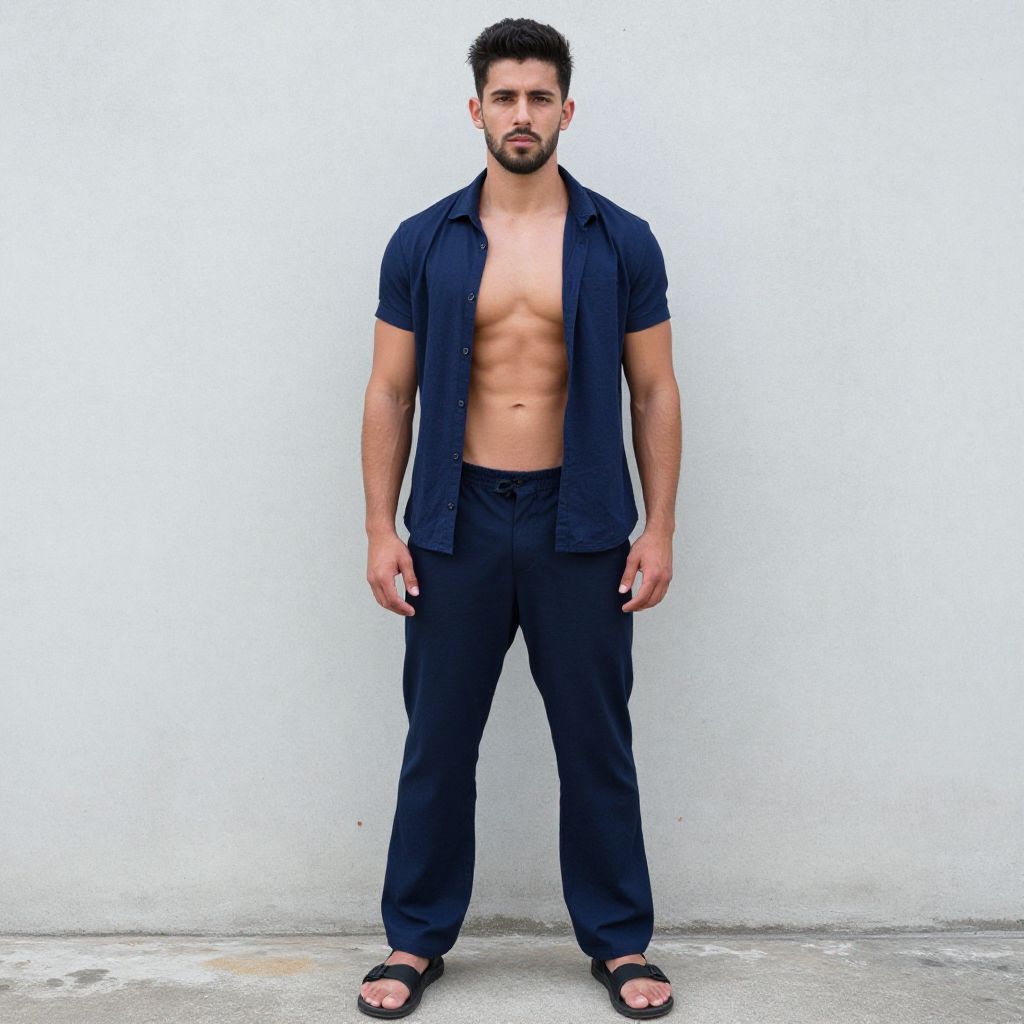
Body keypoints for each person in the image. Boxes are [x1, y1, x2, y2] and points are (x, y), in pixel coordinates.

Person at [358, 16, 681, 1020]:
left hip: (577, 520)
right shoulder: (425, 240)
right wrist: (381, 528)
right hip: (452, 519)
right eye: (505, 96)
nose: (522, 114)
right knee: (437, 741)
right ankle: (414, 939)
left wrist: (658, 527)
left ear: (566, 110)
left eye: (540, 96)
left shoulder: (617, 238)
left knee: (595, 740)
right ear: (476, 111)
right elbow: (388, 393)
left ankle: (619, 941)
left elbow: (654, 392)